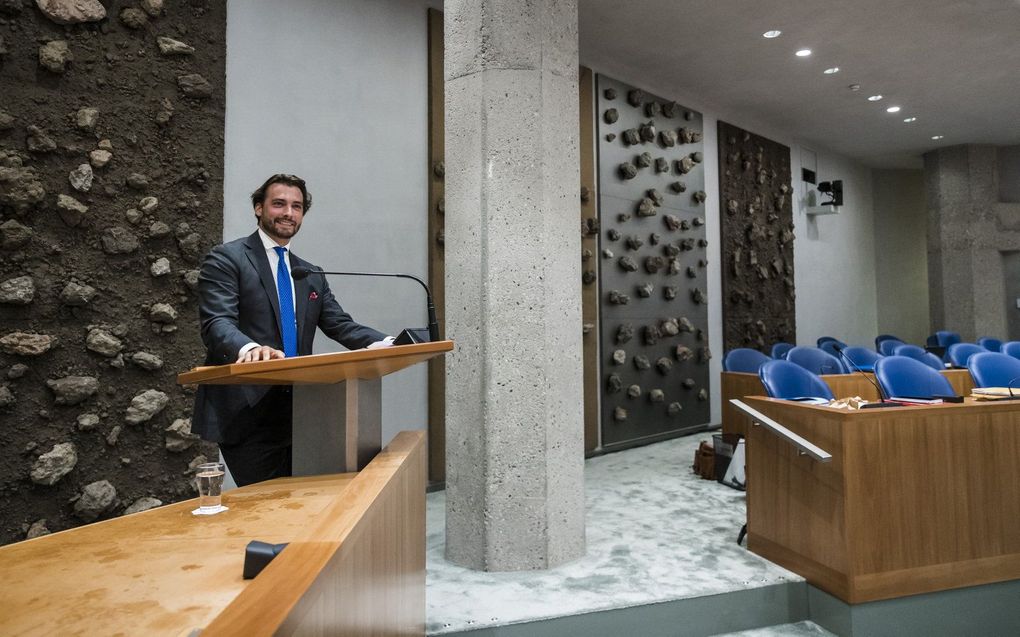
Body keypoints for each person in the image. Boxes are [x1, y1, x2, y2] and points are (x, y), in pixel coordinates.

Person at [191, 174, 392, 486]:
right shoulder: (227, 258)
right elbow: (217, 322)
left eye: (296, 206)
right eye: (279, 204)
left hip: (303, 409)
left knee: (303, 504)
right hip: (248, 409)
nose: (288, 212)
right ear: (259, 208)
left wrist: (388, 342)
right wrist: (249, 349)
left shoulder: (308, 273)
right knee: (265, 507)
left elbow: (340, 325)